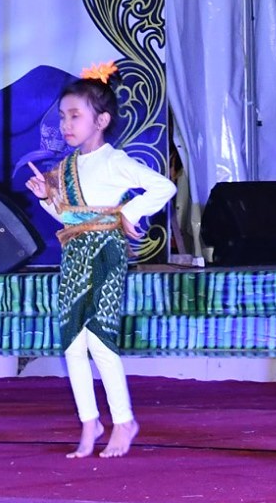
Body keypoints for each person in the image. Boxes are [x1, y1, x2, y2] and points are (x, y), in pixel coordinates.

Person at [26, 63, 175, 459]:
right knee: (73, 343)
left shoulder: (114, 161)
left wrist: (129, 213)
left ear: (102, 120)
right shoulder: (67, 167)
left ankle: (124, 421)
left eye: (75, 115)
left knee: (100, 337)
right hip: (75, 254)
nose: (66, 124)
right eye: (63, 116)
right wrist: (46, 198)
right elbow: (68, 219)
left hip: (105, 253)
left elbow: (164, 186)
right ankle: (89, 421)